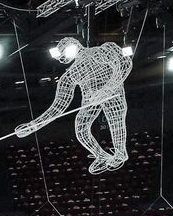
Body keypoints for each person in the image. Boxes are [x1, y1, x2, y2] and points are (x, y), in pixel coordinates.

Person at [14, 40, 134, 174]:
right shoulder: (71, 74)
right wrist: (32, 126)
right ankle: (101, 156)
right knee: (81, 128)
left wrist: (106, 90)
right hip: (91, 102)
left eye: (63, 53)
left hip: (112, 94)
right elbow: (58, 107)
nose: (61, 58)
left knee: (116, 121)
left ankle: (120, 154)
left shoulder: (101, 51)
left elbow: (124, 63)